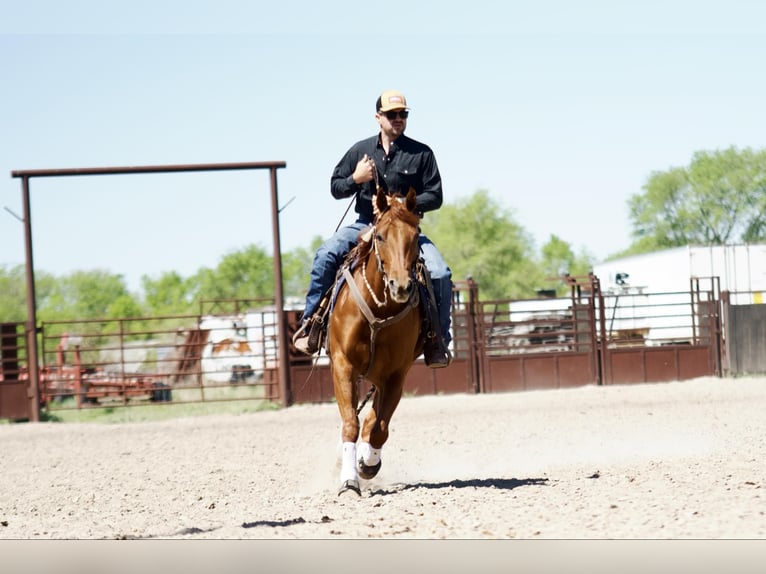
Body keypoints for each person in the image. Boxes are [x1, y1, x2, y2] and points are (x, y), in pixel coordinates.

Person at [292, 89, 453, 367]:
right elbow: (336, 186)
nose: (398, 119)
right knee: (325, 255)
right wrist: (356, 178)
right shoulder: (360, 150)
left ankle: (437, 340)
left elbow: (435, 195)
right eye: (392, 115)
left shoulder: (421, 153)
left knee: (439, 272)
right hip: (364, 223)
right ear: (378, 117)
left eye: (403, 114)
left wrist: (401, 204)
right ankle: (312, 325)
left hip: (403, 229)